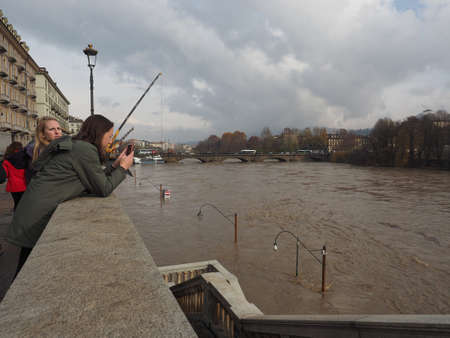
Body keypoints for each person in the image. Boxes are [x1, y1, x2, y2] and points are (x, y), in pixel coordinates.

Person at [6, 114, 134, 277]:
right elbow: (103, 188)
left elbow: (93, 179)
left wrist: (115, 165)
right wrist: (123, 167)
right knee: (26, 272)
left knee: (26, 265)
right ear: (98, 134)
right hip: (39, 214)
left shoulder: (77, 146)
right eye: (109, 136)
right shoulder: (84, 150)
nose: (110, 141)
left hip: (35, 210)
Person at [1, 142, 27, 210]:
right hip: (24, 185)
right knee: (24, 203)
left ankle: (16, 217)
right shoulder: (25, 158)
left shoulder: (6, 161)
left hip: (13, 186)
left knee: (17, 203)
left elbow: (5, 174)